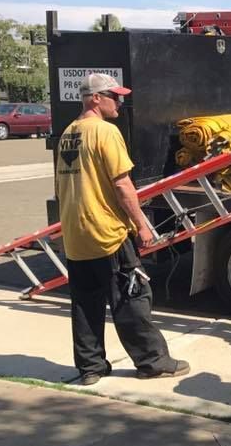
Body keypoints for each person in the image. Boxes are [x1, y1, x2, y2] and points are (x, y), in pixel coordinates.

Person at [56, 72, 190, 386]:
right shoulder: (105, 132)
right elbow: (122, 185)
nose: (120, 101)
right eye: (114, 96)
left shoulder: (68, 134)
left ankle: (91, 367)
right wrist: (142, 226)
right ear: (95, 99)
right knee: (131, 296)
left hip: (77, 234)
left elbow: (63, 185)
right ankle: (153, 362)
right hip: (107, 232)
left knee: (85, 302)